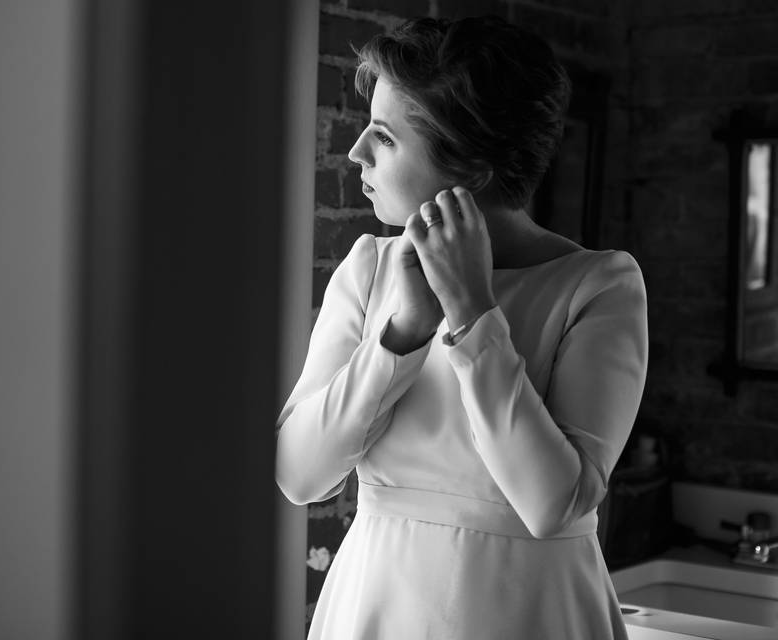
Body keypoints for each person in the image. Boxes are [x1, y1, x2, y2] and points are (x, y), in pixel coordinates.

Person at [275, 14, 648, 640]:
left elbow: (552, 503)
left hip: (535, 612)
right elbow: (299, 474)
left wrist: (474, 315)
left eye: (385, 138)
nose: (355, 152)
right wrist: (400, 334)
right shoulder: (368, 269)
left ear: (473, 170)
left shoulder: (600, 285)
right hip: (377, 603)